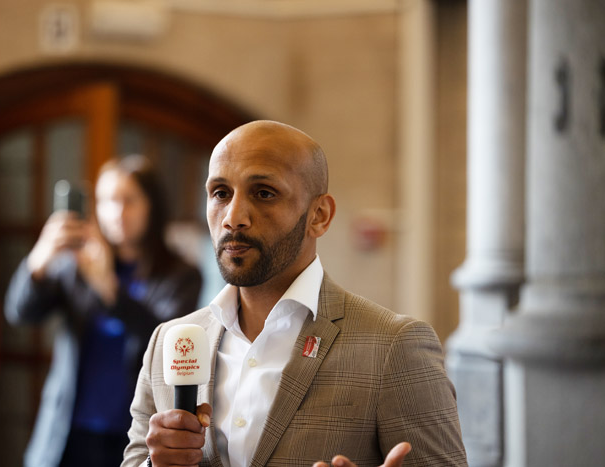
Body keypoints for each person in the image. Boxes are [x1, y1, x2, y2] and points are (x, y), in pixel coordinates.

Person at [122, 121, 467, 467]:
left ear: (319, 215)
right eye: (221, 193)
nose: (233, 217)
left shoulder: (394, 347)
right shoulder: (168, 343)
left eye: (264, 193)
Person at [5, 155, 203, 467]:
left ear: (152, 205)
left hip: (134, 435)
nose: (116, 213)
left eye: (129, 200)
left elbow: (165, 341)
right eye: (107, 201)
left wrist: (107, 287)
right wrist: (40, 258)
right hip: (67, 432)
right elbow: (20, 312)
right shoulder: (76, 265)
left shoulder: (181, 274)